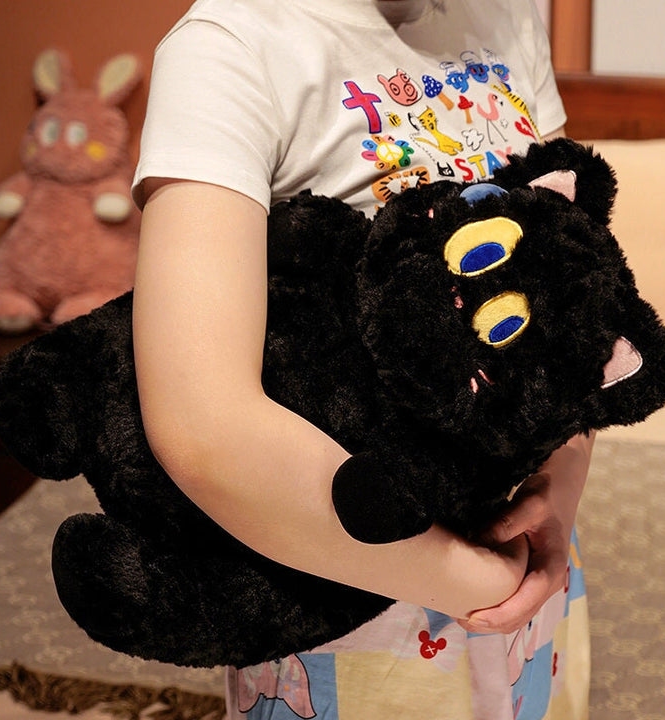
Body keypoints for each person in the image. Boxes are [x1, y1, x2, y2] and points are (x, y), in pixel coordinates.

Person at [131, 1, 594, 717]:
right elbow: (203, 424)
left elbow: (581, 288)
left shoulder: (505, 16)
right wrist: (479, 578)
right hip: (341, 589)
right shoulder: (230, 45)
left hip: (533, 573)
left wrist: (556, 496)